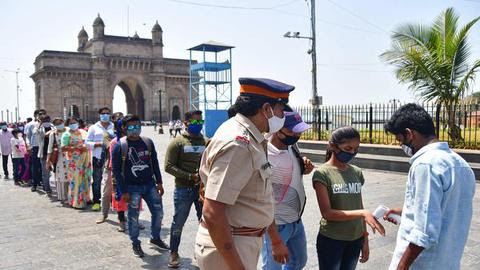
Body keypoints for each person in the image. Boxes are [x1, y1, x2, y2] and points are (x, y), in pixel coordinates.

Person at [195, 78, 294, 270]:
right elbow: (212, 212)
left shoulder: (252, 138)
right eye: (281, 109)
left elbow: (259, 197)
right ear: (267, 109)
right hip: (229, 246)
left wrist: (274, 240)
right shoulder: (239, 144)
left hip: (241, 241)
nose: (283, 116)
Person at [384, 103, 476, 270]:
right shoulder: (461, 164)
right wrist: (405, 211)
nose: (400, 146)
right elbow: (445, 209)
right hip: (448, 262)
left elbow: (424, 231)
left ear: (409, 134)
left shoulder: (425, 164)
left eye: (400, 140)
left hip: (422, 264)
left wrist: (401, 266)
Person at [312, 126, 385, 270]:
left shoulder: (356, 172)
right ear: (333, 146)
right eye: (348, 148)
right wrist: (363, 213)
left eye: (356, 149)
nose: (352, 152)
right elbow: (327, 213)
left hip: (355, 239)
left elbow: (359, 204)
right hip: (332, 240)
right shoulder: (322, 174)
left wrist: (365, 239)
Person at [261, 110, 314, 270]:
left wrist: (304, 166)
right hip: (276, 225)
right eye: (293, 130)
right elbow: (261, 199)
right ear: (277, 130)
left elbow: (291, 170)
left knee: (298, 261)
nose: (297, 134)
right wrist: (275, 239)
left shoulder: (292, 145)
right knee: (272, 267)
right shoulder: (264, 155)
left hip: (296, 220)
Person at [112, 114, 169, 258]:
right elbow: (117, 171)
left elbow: (154, 163)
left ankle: (155, 238)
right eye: (131, 126)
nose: (135, 129)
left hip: (149, 184)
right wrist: (123, 191)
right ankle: (135, 242)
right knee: (133, 217)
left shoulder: (148, 142)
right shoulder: (120, 146)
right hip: (131, 187)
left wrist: (160, 182)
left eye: (137, 126)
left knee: (158, 213)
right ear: (124, 128)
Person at [165, 110, 207, 268]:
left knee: (204, 222)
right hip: (184, 189)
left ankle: (201, 252)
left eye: (200, 122)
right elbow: (168, 166)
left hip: (202, 190)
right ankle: (173, 252)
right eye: (195, 122)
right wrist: (190, 176)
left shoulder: (206, 142)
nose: (198, 125)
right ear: (186, 123)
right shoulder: (177, 143)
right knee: (178, 222)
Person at [96, 112, 123, 224]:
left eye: (121, 118)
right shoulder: (108, 134)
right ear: (113, 120)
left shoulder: (129, 133)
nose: (120, 120)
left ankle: (129, 217)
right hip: (110, 166)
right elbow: (109, 147)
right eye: (117, 118)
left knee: (128, 193)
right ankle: (104, 213)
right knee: (106, 192)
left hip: (125, 167)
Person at [86, 107, 114, 211]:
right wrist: (98, 144)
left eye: (107, 113)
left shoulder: (113, 126)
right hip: (98, 157)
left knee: (111, 180)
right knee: (97, 180)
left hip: (111, 157)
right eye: (103, 113)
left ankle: (111, 201)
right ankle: (96, 201)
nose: (105, 115)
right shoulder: (93, 127)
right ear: (99, 114)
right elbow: (87, 143)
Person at [61, 116, 92, 209]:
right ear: (68, 124)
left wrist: (86, 146)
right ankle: (77, 201)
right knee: (76, 180)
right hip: (74, 161)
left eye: (74, 122)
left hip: (86, 159)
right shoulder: (66, 134)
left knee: (86, 178)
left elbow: (89, 142)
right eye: (71, 123)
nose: (73, 124)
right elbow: (63, 148)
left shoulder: (83, 132)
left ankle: (86, 198)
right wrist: (77, 148)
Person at [47, 118, 69, 202]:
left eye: (60, 122)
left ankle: (72, 196)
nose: (59, 124)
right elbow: (49, 148)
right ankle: (63, 196)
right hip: (60, 157)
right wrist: (48, 160)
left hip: (71, 156)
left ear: (63, 122)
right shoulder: (53, 134)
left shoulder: (69, 130)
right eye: (56, 123)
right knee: (62, 177)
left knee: (71, 176)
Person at [26, 109, 46, 191]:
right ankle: (34, 184)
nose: (41, 115)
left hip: (45, 147)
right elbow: (28, 136)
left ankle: (45, 184)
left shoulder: (48, 124)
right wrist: (28, 146)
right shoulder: (32, 125)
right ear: (36, 115)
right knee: (35, 166)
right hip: (35, 147)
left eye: (43, 114)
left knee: (44, 167)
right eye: (40, 114)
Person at [36, 115, 53, 194]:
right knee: (45, 172)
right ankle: (47, 189)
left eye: (48, 120)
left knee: (54, 171)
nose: (47, 121)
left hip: (54, 153)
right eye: (44, 120)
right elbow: (36, 132)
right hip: (44, 153)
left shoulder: (53, 127)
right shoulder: (40, 128)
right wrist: (40, 124)